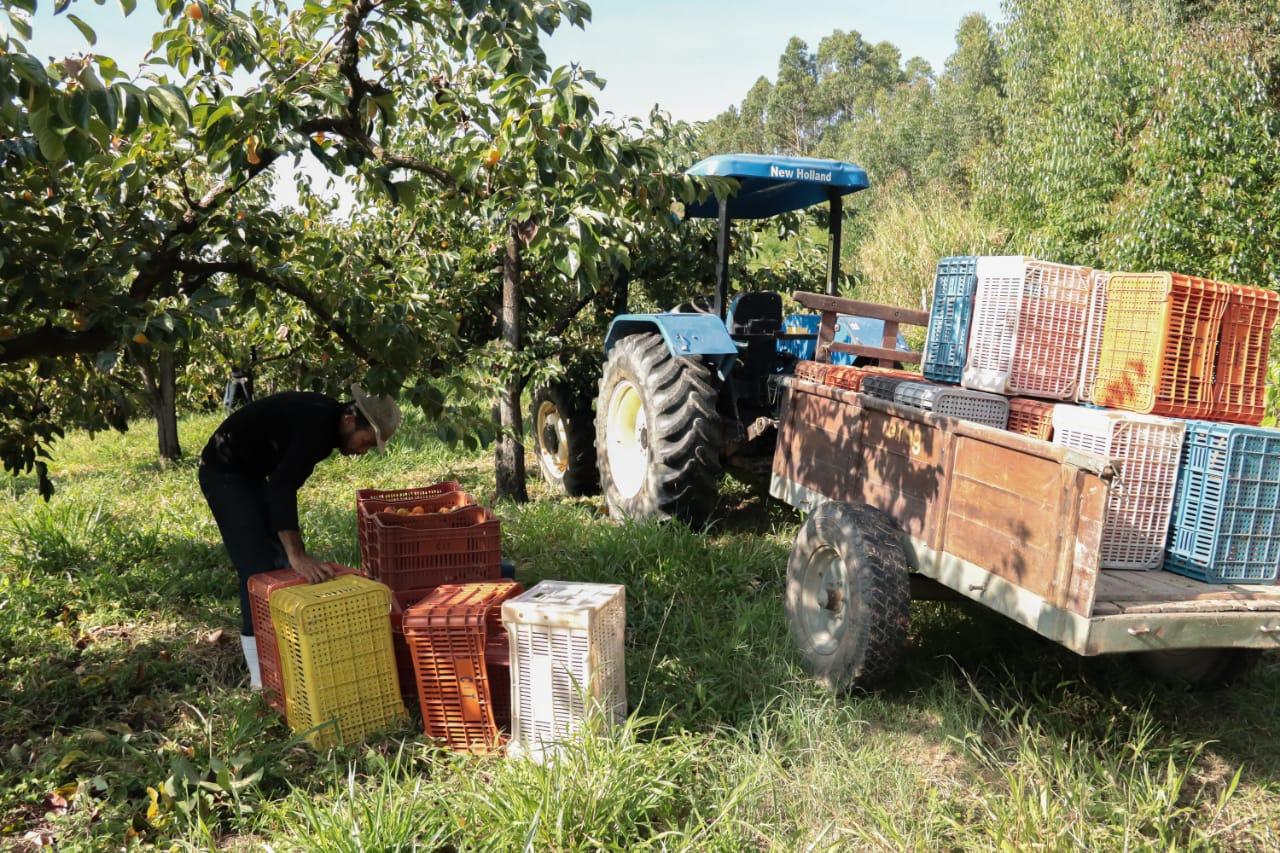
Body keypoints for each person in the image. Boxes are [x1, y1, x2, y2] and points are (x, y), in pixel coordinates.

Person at [198, 383, 402, 689]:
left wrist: (291, 551)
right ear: (350, 419)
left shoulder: (324, 425)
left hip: (254, 475)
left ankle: (282, 654)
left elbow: (283, 483)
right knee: (256, 567)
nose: (362, 451)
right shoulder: (317, 427)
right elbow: (282, 487)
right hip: (225, 471)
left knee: (277, 563)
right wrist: (298, 554)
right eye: (366, 442)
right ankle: (260, 680)